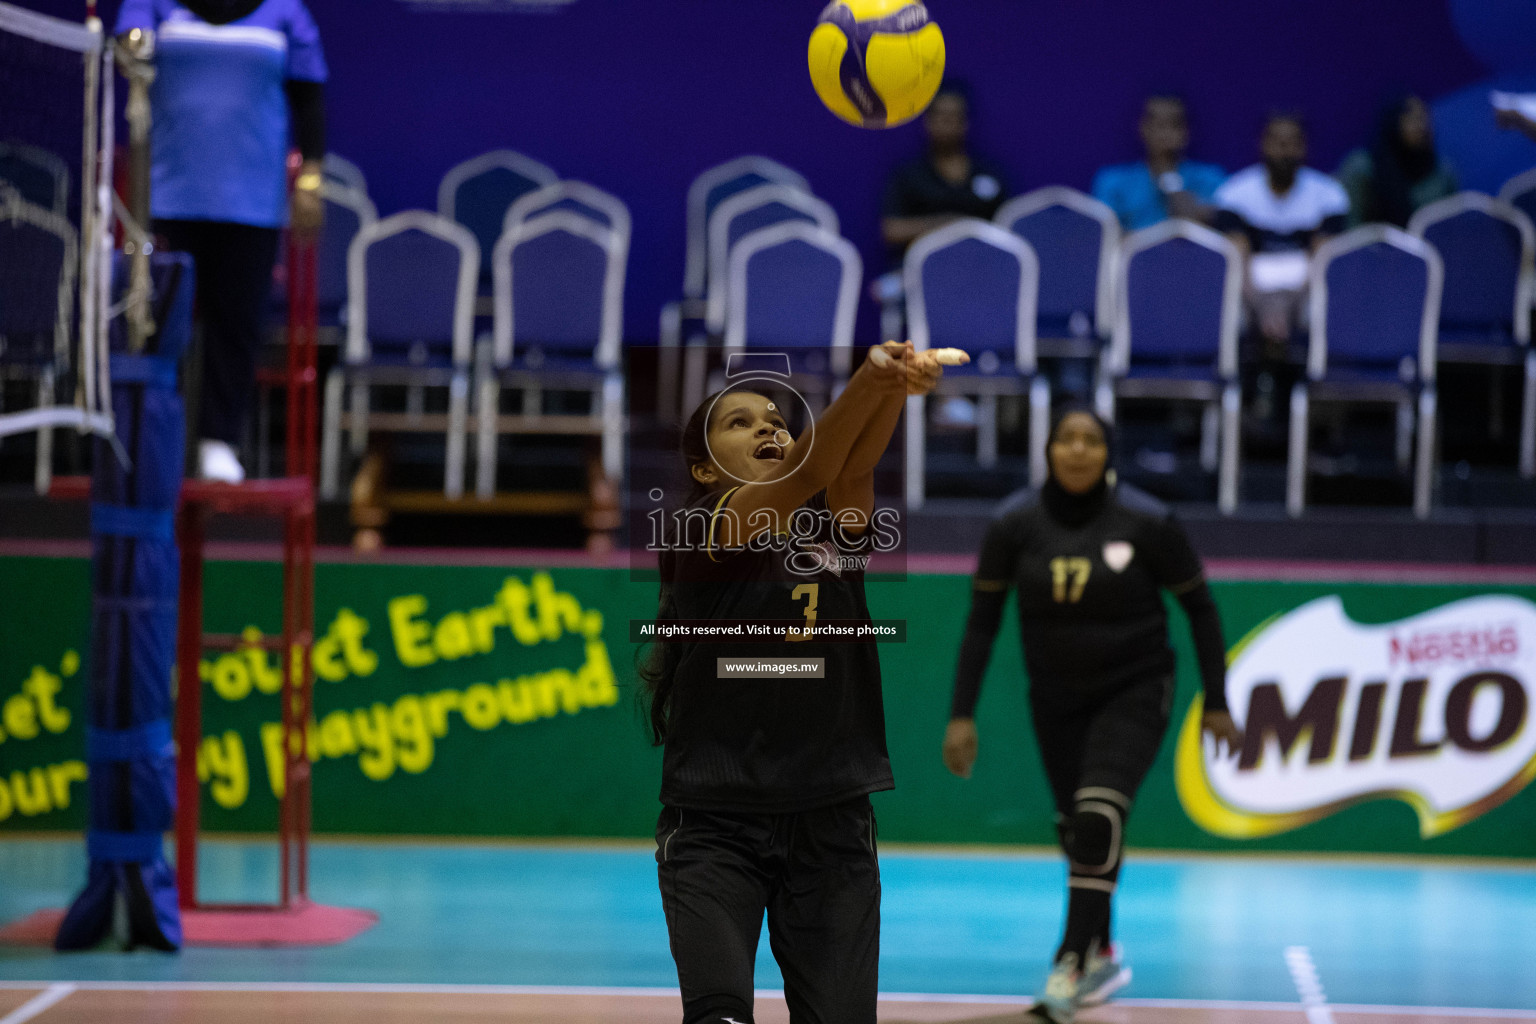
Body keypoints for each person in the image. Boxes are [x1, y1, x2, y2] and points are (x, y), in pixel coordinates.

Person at [640, 343, 944, 1024]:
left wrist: (893, 385)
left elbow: (850, 463)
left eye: (776, 419)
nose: (770, 428)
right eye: (741, 423)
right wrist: (871, 378)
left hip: (832, 820)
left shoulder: (834, 526)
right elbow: (812, 464)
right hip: (716, 824)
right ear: (702, 465)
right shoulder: (698, 529)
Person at [940, 407, 1242, 1024]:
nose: (1078, 451)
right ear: (1047, 451)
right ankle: (1102, 947)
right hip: (1054, 697)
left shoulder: (1149, 521)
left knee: (1098, 814)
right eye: (1066, 440)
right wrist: (960, 715)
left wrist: (1216, 700)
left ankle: (1069, 962)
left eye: (1092, 441)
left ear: (1110, 452)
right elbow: (981, 624)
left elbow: (1202, 612)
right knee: (1076, 829)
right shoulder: (1014, 524)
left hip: (1135, 689)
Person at [115, 0, 328, 483]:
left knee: (235, 327)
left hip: (250, 201)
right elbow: (128, 47)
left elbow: (310, 96)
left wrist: (312, 178)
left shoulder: (284, 11)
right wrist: (131, 46)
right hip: (167, 197)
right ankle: (145, 442)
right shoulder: (153, 2)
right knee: (152, 326)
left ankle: (218, 443)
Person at [1214, 113, 1349, 350]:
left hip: (1306, 290)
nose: (1284, 150)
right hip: (1250, 292)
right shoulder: (1234, 194)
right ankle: (1234, 382)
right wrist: (1263, 307)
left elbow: (1322, 262)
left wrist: (1288, 307)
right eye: (1277, 141)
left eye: (1292, 143)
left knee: (1321, 311)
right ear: (1263, 144)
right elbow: (1237, 261)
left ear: (1303, 147)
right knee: (1230, 316)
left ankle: (1311, 382)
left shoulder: (1329, 195)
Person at [881, 81, 1009, 266]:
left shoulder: (991, 173)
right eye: (940, 115)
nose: (947, 122)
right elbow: (890, 230)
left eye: (954, 116)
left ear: (966, 122)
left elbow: (1008, 227)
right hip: (919, 269)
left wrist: (971, 230)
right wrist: (945, 224)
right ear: (927, 121)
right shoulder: (908, 174)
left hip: (980, 268)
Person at [1092, 94, 1227, 232]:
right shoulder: (1113, 181)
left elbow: (1203, 233)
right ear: (1143, 128)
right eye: (1158, 125)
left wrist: (1170, 180)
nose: (1165, 134)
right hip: (1134, 253)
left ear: (1185, 132)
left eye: (1174, 125)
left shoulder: (1211, 179)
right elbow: (1106, 238)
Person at [1337, 95, 1458, 228]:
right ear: (1393, 123)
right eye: (1412, 119)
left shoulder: (1441, 171)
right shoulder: (1363, 168)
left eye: (1424, 118)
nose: (1421, 126)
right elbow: (1353, 229)